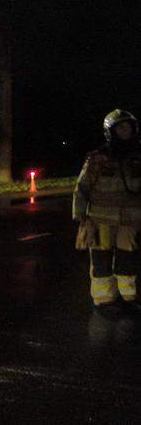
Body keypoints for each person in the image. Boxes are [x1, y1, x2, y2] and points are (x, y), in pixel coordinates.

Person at [74, 109, 141, 315]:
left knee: (128, 259)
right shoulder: (98, 158)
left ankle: (128, 297)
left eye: (128, 127)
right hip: (100, 220)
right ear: (111, 132)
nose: (125, 131)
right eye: (120, 128)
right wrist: (81, 216)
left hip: (130, 221)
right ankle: (104, 300)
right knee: (101, 259)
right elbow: (82, 188)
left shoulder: (138, 157)